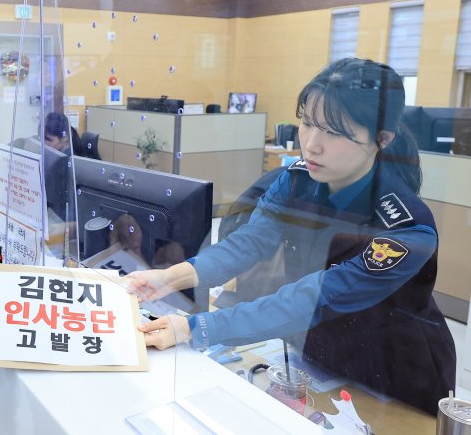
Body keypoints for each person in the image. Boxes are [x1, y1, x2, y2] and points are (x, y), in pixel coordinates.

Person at [129, 58, 456, 415]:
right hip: (320, 355)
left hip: (391, 375)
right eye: (307, 123)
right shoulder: (297, 181)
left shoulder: (405, 227)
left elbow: (312, 298)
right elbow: (249, 242)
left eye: (334, 132)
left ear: (381, 140)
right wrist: (166, 277)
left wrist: (194, 327)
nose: (311, 145)